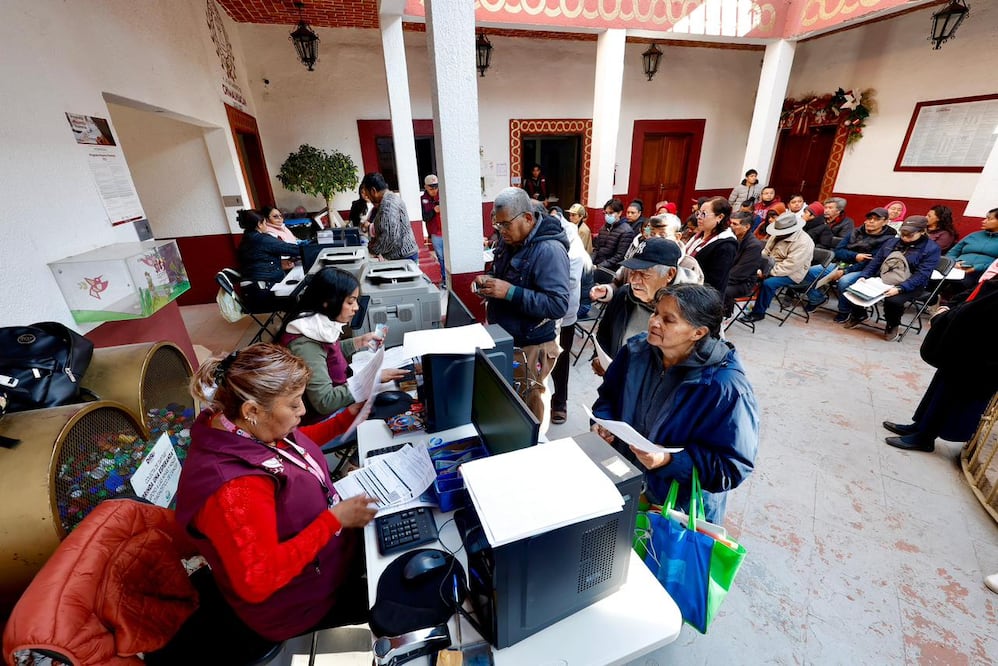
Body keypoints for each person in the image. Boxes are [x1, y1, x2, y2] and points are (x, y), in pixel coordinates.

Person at [175, 344, 380, 642]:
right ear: (253, 410)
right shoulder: (234, 490)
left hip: (329, 560)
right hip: (303, 604)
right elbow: (259, 579)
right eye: (295, 404)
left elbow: (295, 446)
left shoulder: (240, 426)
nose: (303, 411)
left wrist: (345, 417)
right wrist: (333, 520)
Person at [591, 284, 759, 523]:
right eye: (655, 312)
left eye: (668, 320)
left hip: (675, 511)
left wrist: (668, 461)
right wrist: (603, 424)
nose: (654, 322)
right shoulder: (637, 350)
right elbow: (608, 397)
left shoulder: (726, 387)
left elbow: (731, 468)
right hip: (627, 481)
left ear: (698, 333)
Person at [475, 187, 570, 423]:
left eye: (505, 224)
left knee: (530, 411)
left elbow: (558, 305)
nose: (501, 231)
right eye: (498, 225)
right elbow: (503, 274)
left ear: (528, 218)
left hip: (532, 346)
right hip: (509, 337)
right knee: (512, 404)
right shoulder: (511, 241)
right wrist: (488, 281)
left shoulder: (549, 250)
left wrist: (511, 292)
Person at [882, 269, 998, 451]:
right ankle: (920, 425)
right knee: (940, 385)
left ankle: (925, 437)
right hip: (967, 340)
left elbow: (980, 310)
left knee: (953, 392)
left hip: (983, 350)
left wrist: (947, 316)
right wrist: (949, 307)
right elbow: (978, 290)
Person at [280, 267, 407, 420]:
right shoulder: (305, 345)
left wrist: (359, 342)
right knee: (400, 406)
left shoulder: (315, 324)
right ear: (327, 302)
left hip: (342, 392)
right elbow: (324, 402)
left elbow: (327, 354)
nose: (356, 308)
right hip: (328, 418)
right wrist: (372, 379)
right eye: (350, 302)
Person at [591, 238, 682, 376]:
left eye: (644, 274)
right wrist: (599, 358)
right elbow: (604, 333)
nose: (634, 280)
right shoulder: (623, 294)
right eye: (633, 272)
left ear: (670, 274)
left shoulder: (691, 313)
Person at [841, 216, 940, 339]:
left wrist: (900, 288)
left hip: (911, 283)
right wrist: (864, 276)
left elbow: (922, 274)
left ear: (922, 232)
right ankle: (859, 314)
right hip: (884, 278)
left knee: (893, 300)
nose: (905, 238)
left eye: (910, 235)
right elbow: (876, 262)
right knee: (856, 287)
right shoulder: (892, 242)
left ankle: (892, 324)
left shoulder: (931, 249)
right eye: (903, 234)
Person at [804, 207, 898, 309]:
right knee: (809, 272)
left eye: (876, 219)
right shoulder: (855, 232)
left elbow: (870, 261)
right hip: (841, 263)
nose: (871, 221)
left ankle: (845, 311)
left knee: (844, 281)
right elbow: (838, 251)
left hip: (865, 270)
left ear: (885, 222)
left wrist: (845, 271)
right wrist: (855, 256)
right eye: (869, 218)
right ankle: (816, 299)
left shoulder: (889, 239)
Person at [550, 210, 590, 425]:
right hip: (541, 310)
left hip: (564, 310)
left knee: (561, 356)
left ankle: (560, 401)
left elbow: (571, 279)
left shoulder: (572, 241)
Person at [739, 212, 815, 324]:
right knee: (746, 270)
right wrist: (756, 264)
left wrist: (766, 273)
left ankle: (758, 313)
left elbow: (790, 266)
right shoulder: (778, 234)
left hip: (792, 272)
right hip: (771, 264)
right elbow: (766, 251)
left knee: (768, 283)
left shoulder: (804, 242)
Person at [235, 208, 302, 313]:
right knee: (302, 297)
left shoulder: (247, 238)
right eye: (265, 222)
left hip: (252, 293)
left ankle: (287, 323)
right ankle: (289, 326)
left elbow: (258, 260)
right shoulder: (261, 239)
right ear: (259, 224)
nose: (266, 226)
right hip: (262, 295)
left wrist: (279, 264)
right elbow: (291, 249)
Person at [360, 172, 420, 262]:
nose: (367, 197)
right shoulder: (387, 199)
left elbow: (389, 239)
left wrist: (371, 250)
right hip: (401, 255)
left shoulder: (389, 204)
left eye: (367, 194)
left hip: (404, 257)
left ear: (373, 191)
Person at [685, 196, 738, 294]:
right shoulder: (699, 235)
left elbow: (714, 282)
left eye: (704, 214)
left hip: (702, 296)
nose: (699, 217)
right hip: (687, 288)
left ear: (720, 217)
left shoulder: (726, 245)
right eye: (698, 213)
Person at [724, 210, 764, 316]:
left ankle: (723, 316)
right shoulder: (731, 237)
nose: (731, 226)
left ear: (746, 227)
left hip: (743, 282)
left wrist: (720, 280)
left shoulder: (753, 246)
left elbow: (741, 272)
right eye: (730, 223)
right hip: (728, 275)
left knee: (718, 290)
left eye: (735, 224)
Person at [591, 198, 635, 272]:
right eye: (606, 213)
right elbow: (597, 249)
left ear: (620, 213)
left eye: (611, 213)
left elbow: (619, 256)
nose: (608, 215)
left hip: (611, 269)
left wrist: (599, 266)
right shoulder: (604, 228)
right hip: (597, 265)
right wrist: (590, 261)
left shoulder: (626, 231)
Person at [420, 174, 445, 283]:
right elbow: (425, 217)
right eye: (431, 188)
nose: (434, 190)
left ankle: (447, 280)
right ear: (425, 187)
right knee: (441, 258)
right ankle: (445, 279)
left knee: (449, 258)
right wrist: (434, 211)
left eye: (436, 187)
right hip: (435, 234)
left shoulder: (443, 196)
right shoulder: (423, 200)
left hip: (447, 233)